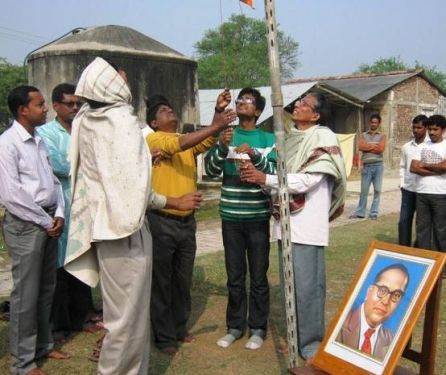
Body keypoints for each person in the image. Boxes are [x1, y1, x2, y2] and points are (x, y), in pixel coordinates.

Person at [64, 57, 202, 375]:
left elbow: (117, 178)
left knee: (131, 317)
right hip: (124, 231)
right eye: (120, 75)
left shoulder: (88, 119)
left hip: (109, 226)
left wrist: (143, 167)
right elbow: (132, 186)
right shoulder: (119, 120)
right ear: (107, 82)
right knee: (126, 321)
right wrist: (169, 197)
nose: (125, 80)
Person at [240, 93, 346, 365]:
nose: (297, 106)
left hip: (307, 223)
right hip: (284, 221)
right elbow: (277, 179)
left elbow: (308, 181)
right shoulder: (286, 139)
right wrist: (258, 177)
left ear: (316, 115)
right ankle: (296, 337)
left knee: (308, 287)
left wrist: (266, 178)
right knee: (290, 284)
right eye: (298, 102)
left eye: (304, 104)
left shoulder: (324, 137)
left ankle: (311, 344)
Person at [145, 91, 236, 354]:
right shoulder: (155, 140)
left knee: (182, 281)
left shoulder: (184, 140)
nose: (169, 111)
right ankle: (164, 337)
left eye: (170, 108)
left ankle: (179, 327)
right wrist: (216, 124)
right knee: (162, 281)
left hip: (187, 222)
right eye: (163, 111)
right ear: (153, 122)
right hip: (161, 220)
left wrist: (218, 112)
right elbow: (182, 144)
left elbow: (204, 141)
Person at [0, 85, 70, 375]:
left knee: (45, 289)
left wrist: (60, 212)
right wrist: (45, 221)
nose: (46, 109)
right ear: (23, 110)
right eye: (40, 104)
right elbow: (11, 195)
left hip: (47, 220)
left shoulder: (39, 140)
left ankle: (44, 346)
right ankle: (22, 362)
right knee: (25, 296)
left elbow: (53, 181)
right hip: (26, 225)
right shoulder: (8, 143)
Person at [205, 88, 276, 350]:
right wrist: (222, 147)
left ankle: (258, 328)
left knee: (258, 276)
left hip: (258, 217)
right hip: (231, 217)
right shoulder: (227, 134)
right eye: (240, 100)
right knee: (234, 276)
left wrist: (256, 155)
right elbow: (211, 171)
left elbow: (275, 173)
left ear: (258, 111)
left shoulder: (268, 138)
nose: (242, 103)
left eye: (248, 101)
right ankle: (235, 327)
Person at [37, 83, 99, 338]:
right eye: (70, 104)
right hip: (60, 208)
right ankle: (60, 323)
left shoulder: (84, 130)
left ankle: (83, 315)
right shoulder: (45, 133)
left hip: (85, 209)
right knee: (58, 269)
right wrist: (87, 163)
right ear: (55, 107)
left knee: (84, 261)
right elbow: (61, 165)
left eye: (78, 104)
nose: (75, 108)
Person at [337, 264, 409, 360]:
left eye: (396, 295)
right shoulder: (339, 326)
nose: (386, 301)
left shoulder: (391, 341)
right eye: (382, 290)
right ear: (369, 292)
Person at [410, 114, 446, 252]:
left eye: (435, 129)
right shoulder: (422, 146)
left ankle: (441, 265)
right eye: (430, 129)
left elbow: (445, 167)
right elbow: (413, 167)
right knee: (422, 229)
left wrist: (424, 164)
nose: (431, 132)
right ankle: (424, 262)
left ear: (443, 130)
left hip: (441, 194)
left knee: (441, 230)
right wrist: (437, 170)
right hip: (422, 193)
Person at [398, 115, 427, 247]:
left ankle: (418, 249)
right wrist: (402, 183)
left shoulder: (431, 146)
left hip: (424, 191)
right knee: (404, 221)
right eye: (414, 127)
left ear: (425, 128)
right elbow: (402, 166)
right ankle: (403, 247)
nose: (416, 130)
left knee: (422, 223)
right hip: (408, 190)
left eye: (419, 127)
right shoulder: (406, 147)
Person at [350, 113, 386, 220]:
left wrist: (368, 147)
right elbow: (361, 146)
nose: (374, 124)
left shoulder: (382, 136)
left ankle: (373, 213)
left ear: (379, 123)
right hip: (367, 166)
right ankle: (360, 212)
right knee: (364, 190)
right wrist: (374, 146)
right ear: (370, 122)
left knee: (378, 190)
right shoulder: (363, 135)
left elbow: (381, 149)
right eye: (372, 122)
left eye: (376, 122)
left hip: (378, 166)